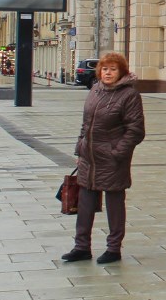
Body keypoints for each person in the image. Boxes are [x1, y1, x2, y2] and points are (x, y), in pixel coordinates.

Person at [62, 52, 145, 265]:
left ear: (121, 72)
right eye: (105, 69)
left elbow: (135, 130)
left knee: (114, 203)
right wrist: (80, 149)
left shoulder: (129, 95)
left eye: (113, 69)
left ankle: (113, 248)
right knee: (85, 203)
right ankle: (81, 247)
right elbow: (86, 124)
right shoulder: (95, 89)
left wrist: (117, 152)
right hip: (89, 156)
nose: (108, 73)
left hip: (112, 158)